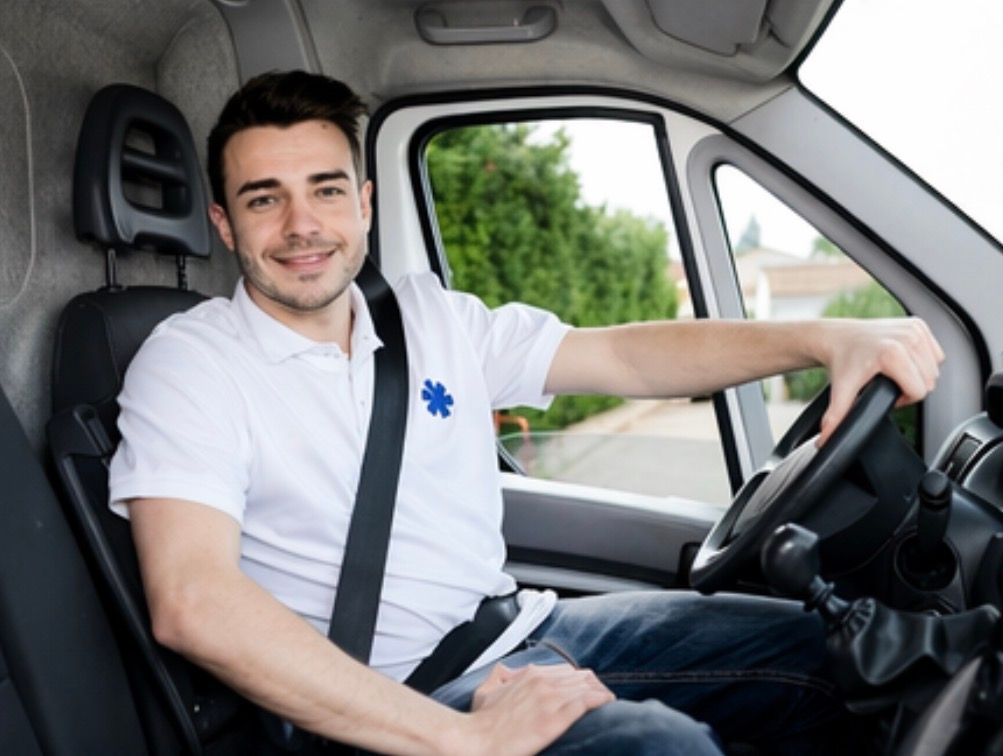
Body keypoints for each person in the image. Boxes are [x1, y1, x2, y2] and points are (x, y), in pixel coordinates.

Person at [110, 70, 944, 755]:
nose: (302, 226)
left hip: (527, 627)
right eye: (263, 200)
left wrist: (822, 338)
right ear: (222, 222)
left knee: (843, 656)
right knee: (660, 749)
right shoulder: (192, 362)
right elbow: (193, 599)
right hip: (396, 706)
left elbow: (620, 354)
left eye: (324, 190)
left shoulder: (426, 315)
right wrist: (462, 739)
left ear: (363, 201)